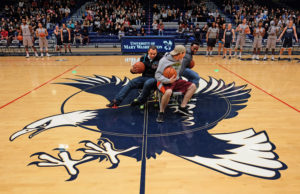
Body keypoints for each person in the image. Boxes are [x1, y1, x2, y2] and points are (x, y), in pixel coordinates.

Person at [155, 45, 197, 122]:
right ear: (181, 53)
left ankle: (182, 107)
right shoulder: (164, 61)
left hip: (175, 80)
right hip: (163, 81)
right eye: (184, 53)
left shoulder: (180, 60)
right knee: (168, 92)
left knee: (193, 86)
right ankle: (161, 112)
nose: (185, 54)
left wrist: (175, 79)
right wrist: (168, 81)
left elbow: (176, 73)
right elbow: (157, 75)